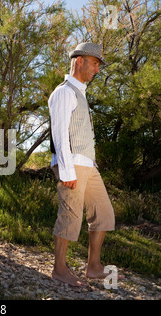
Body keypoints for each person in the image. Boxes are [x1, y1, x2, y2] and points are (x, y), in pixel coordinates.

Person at [48, 43, 116, 287]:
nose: (97, 69)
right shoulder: (63, 92)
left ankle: (94, 267)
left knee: (104, 213)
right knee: (70, 216)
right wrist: (66, 171)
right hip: (72, 164)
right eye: (95, 63)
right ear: (79, 61)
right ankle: (59, 269)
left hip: (88, 165)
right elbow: (59, 134)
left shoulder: (81, 94)